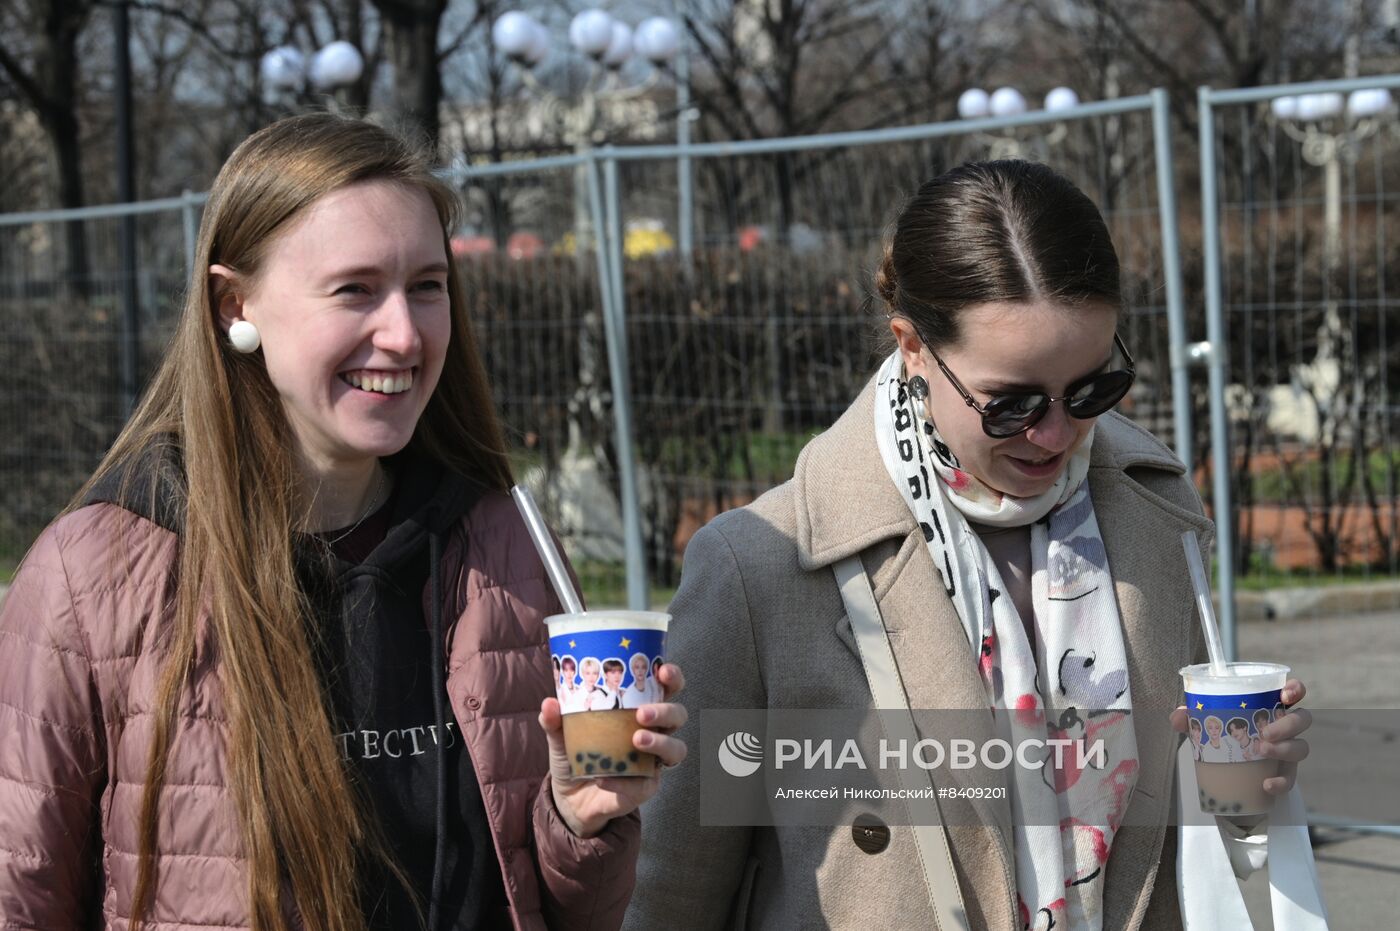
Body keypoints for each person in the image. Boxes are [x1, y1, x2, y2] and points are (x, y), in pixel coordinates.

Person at [0, 113, 688, 931]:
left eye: (428, 286)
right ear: (234, 305)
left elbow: (561, 909)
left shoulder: (501, 543)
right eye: (355, 288)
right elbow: (21, 893)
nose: (404, 334)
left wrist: (583, 820)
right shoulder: (96, 575)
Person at [625, 161, 1312, 931]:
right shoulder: (761, 568)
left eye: (1090, 389)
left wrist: (1245, 791)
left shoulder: (1158, 510)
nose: (1054, 434)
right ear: (913, 347)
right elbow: (672, 894)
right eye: (1010, 402)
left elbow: (1166, 844)